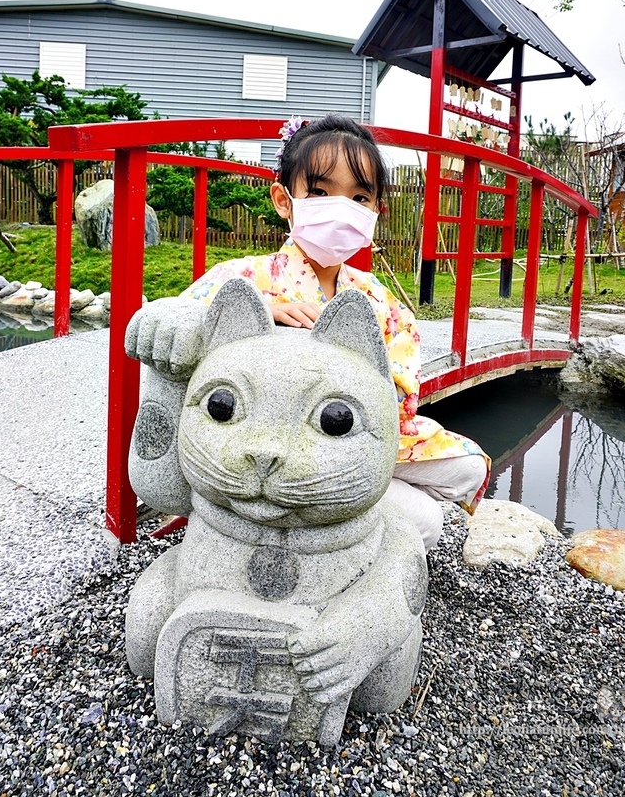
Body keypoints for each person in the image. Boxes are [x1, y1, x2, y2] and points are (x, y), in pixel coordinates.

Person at [180, 113, 490, 549]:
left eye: (360, 197)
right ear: (284, 200)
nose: (342, 207)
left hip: (346, 437)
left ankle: (341, 507)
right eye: (321, 192)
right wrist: (263, 308)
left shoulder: (374, 295)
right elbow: (176, 327)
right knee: (424, 522)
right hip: (268, 445)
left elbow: (399, 386)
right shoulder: (242, 277)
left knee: (468, 468)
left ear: (377, 210)